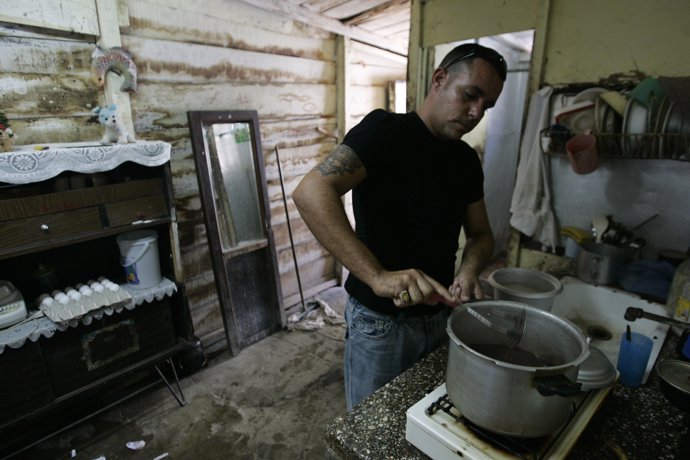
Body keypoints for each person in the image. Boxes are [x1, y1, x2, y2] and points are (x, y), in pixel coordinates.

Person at [292, 43, 507, 410]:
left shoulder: (466, 159)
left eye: (486, 106)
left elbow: (481, 234)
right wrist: (377, 275)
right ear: (440, 79)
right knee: (371, 433)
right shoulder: (385, 131)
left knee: (424, 421)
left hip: (440, 317)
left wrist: (470, 270)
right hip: (381, 323)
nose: (475, 113)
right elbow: (311, 192)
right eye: (470, 95)